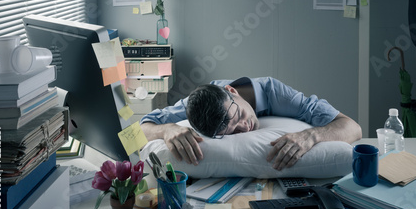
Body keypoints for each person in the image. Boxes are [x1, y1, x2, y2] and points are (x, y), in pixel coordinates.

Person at [140, 77, 361, 171]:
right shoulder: (194, 104)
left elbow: (353, 127)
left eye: (239, 116)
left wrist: (311, 136)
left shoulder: (278, 94)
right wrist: (167, 129)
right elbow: (134, 132)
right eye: (232, 131)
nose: (244, 127)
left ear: (232, 91)